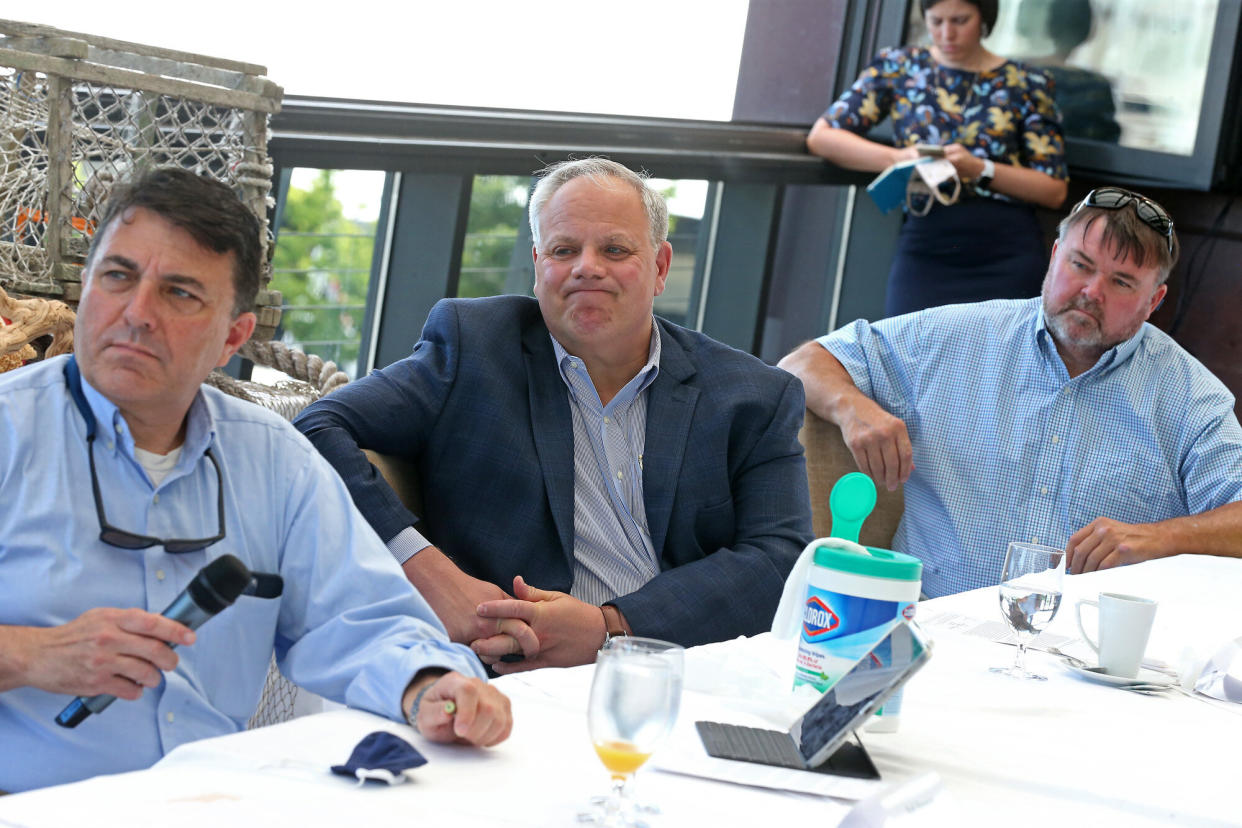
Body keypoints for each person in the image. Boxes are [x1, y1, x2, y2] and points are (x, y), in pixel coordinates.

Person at [0, 168, 511, 794]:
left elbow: (365, 619)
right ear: (86, 285)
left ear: (234, 337)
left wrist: (430, 686)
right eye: (118, 276)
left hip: (217, 800)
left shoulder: (273, 457)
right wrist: (28, 653)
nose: (136, 313)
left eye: (180, 293)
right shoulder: (9, 431)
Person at [294, 157, 812, 672]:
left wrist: (611, 627)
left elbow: (780, 559)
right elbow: (316, 428)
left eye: (615, 248)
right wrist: (426, 570)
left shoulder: (754, 397)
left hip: (682, 671)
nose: (588, 266)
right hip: (507, 673)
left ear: (659, 267)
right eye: (565, 250)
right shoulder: (473, 346)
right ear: (538, 264)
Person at [779, 187, 1242, 597]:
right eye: (1080, 265)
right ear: (1055, 255)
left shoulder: (1189, 397)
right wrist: (852, 407)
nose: (1090, 291)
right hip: (928, 633)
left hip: (1083, 662)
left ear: (1154, 301)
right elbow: (800, 365)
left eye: (1121, 283)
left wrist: (1161, 537)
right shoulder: (955, 335)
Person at [807, 0, 1069, 317]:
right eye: (936, 21)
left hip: (1006, 248)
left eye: (960, 20)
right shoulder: (900, 66)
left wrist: (980, 169)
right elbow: (822, 137)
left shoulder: (1026, 82)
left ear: (984, 19)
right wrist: (898, 157)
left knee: (1000, 360)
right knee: (907, 350)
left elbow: (1053, 189)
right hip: (926, 240)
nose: (947, 34)